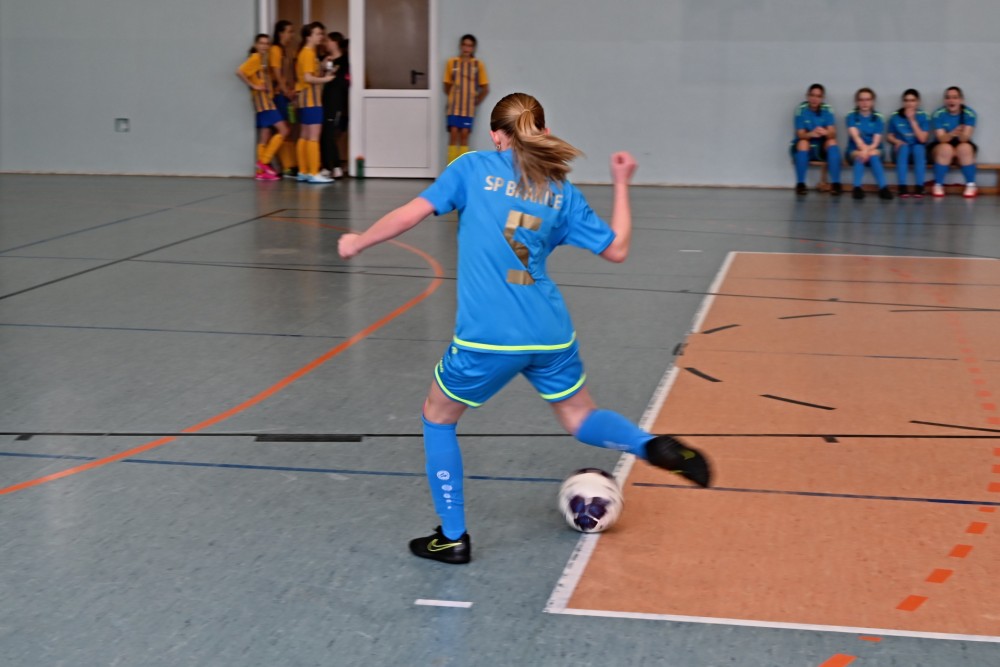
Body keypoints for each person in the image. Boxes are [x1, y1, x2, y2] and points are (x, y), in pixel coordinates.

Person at [337, 92, 711, 564]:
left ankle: (452, 536)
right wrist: (621, 183)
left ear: (497, 136)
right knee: (579, 416)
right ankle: (648, 444)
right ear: (543, 131)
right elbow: (616, 249)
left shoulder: (472, 168)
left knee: (438, 417)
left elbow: (410, 214)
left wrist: (359, 241)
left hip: (487, 336)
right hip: (550, 330)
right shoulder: (561, 190)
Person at [236, 34, 289, 181]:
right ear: (256, 44)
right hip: (264, 101)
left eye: (267, 44)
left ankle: (261, 172)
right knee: (284, 130)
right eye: (262, 43)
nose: (264, 46)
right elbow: (239, 72)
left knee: (265, 133)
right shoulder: (255, 58)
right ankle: (264, 162)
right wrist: (254, 85)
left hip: (264, 100)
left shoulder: (262, 59)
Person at [295, 22, 335, 183]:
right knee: (313, 137)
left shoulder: (307, 53)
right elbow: (307, 77)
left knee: (304, 136)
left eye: (321, 34)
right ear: (308, 36)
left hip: (305, 100)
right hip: (312, 100)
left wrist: (323, 66)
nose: (321, 37)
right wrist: (326, 79)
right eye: (317, 34)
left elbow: (310, 73)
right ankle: (313, 172)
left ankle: (303, 170)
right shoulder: (308, 53)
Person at [443, 34, 489, 164]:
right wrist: (453, 96)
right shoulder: (452, 63)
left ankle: (463, 168)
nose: (466, 48)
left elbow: (485, 88)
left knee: (464, 135)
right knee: (453, 133)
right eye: (464, 45)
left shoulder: (478, 65)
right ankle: (452, 168)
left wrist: (476, 101)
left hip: (468, 108)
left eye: (470, 46)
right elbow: (446, 84)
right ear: (460, 46)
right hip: (454, 106)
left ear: (473, 48)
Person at [792, 84, 843, 196]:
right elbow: (800, 134)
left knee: (832, 142)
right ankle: (800, 184)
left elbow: (833, 133)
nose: (815, 99)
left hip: (821, 147)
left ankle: (836, 184)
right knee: (803, 143)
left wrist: (826, 132)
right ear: (807, 96)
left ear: (822, 98)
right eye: (812, 95)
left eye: (818, 96)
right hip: (807, 145)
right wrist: (811, 134)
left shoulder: (827, 109)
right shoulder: (801, 109)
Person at [845, 87, 893, 200]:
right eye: (861, 100)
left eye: (867, 99)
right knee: (860, 155)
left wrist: (867, 150)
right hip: (854, 150)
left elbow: (876, 142)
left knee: (873, 155)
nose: (864, 103)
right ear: (857, 102)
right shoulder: (851, 116)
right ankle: (857, 188)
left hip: (875, 149)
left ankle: (883, 188)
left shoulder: (878, 118)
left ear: (872, 102)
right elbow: (856, 138)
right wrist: (864, 150)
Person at [930, 86, 978, 198]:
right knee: (946, 148)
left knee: (965, 148)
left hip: (961, 144)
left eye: (955, 97)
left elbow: (965, 138)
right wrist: (953, 133)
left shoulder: (969, 114)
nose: (951, 100)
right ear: (945, 100)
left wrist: (960, 135)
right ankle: (938, 184)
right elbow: (941, 138)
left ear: (961, 100)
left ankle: (971, 185)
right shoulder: (938, 114)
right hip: (942, 145)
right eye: (948, 98)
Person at [886, 89, 930, 198]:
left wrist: (912, 120)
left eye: (912, 100)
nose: (909, 104)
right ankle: (902, 187)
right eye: (906, 100)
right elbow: (889, 136)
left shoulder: (924, 116)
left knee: (919, 148)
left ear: (918, 102)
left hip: (917, 150)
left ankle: (919, 187)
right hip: (901, 150)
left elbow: (923, 139)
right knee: (904, 148)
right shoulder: (895, 116)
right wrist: (896, 141)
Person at [270, 20, 299, 178]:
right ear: (281, 33)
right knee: (283, 129)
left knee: (290, 127)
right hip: (280, 95)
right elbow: (277, 73)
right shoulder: (275, 50)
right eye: (289, 31)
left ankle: (291, 164)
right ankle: (286, 165)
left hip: (289, 95)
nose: (292, 35)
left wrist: (293, 90)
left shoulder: (289, 50)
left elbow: (292, 73)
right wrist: (285, 90)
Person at [320, 32, 349, 180]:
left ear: (335, 42)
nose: (325, 43)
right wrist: (323, 67)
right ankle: (329, 166)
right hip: (324, 99)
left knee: (329, 133)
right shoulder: (326, 59)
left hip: (336, 101)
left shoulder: (345, 61)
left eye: (328, 41)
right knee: (324, 133)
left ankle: (334, 166)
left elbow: (344, 82)